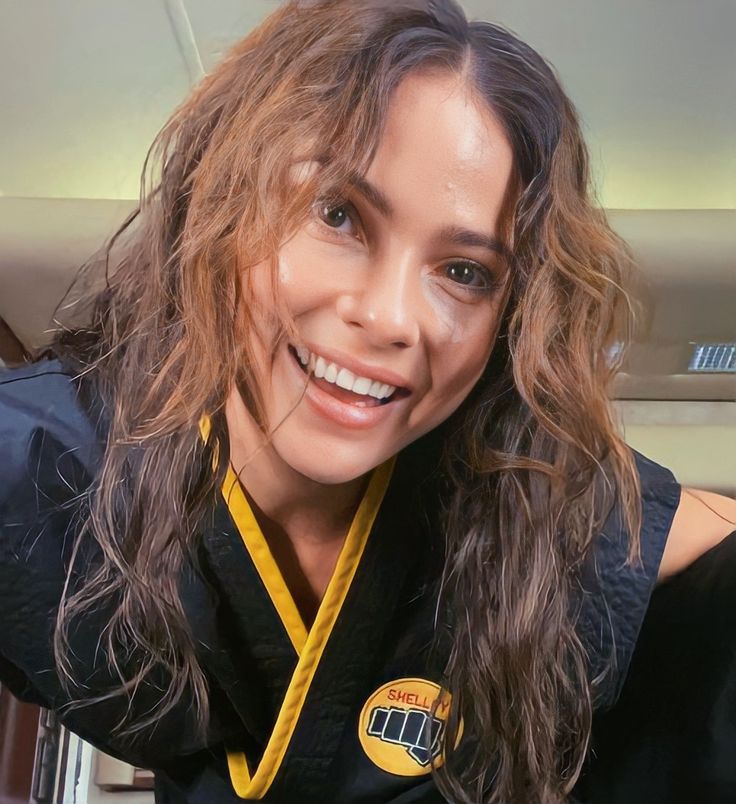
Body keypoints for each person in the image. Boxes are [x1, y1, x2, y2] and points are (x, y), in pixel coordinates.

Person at [1, 1, 734, 802]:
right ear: (220, 197)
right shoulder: (36, 471)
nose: (389, 319)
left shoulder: (515, 503)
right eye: (339, 215)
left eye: (465, 272)